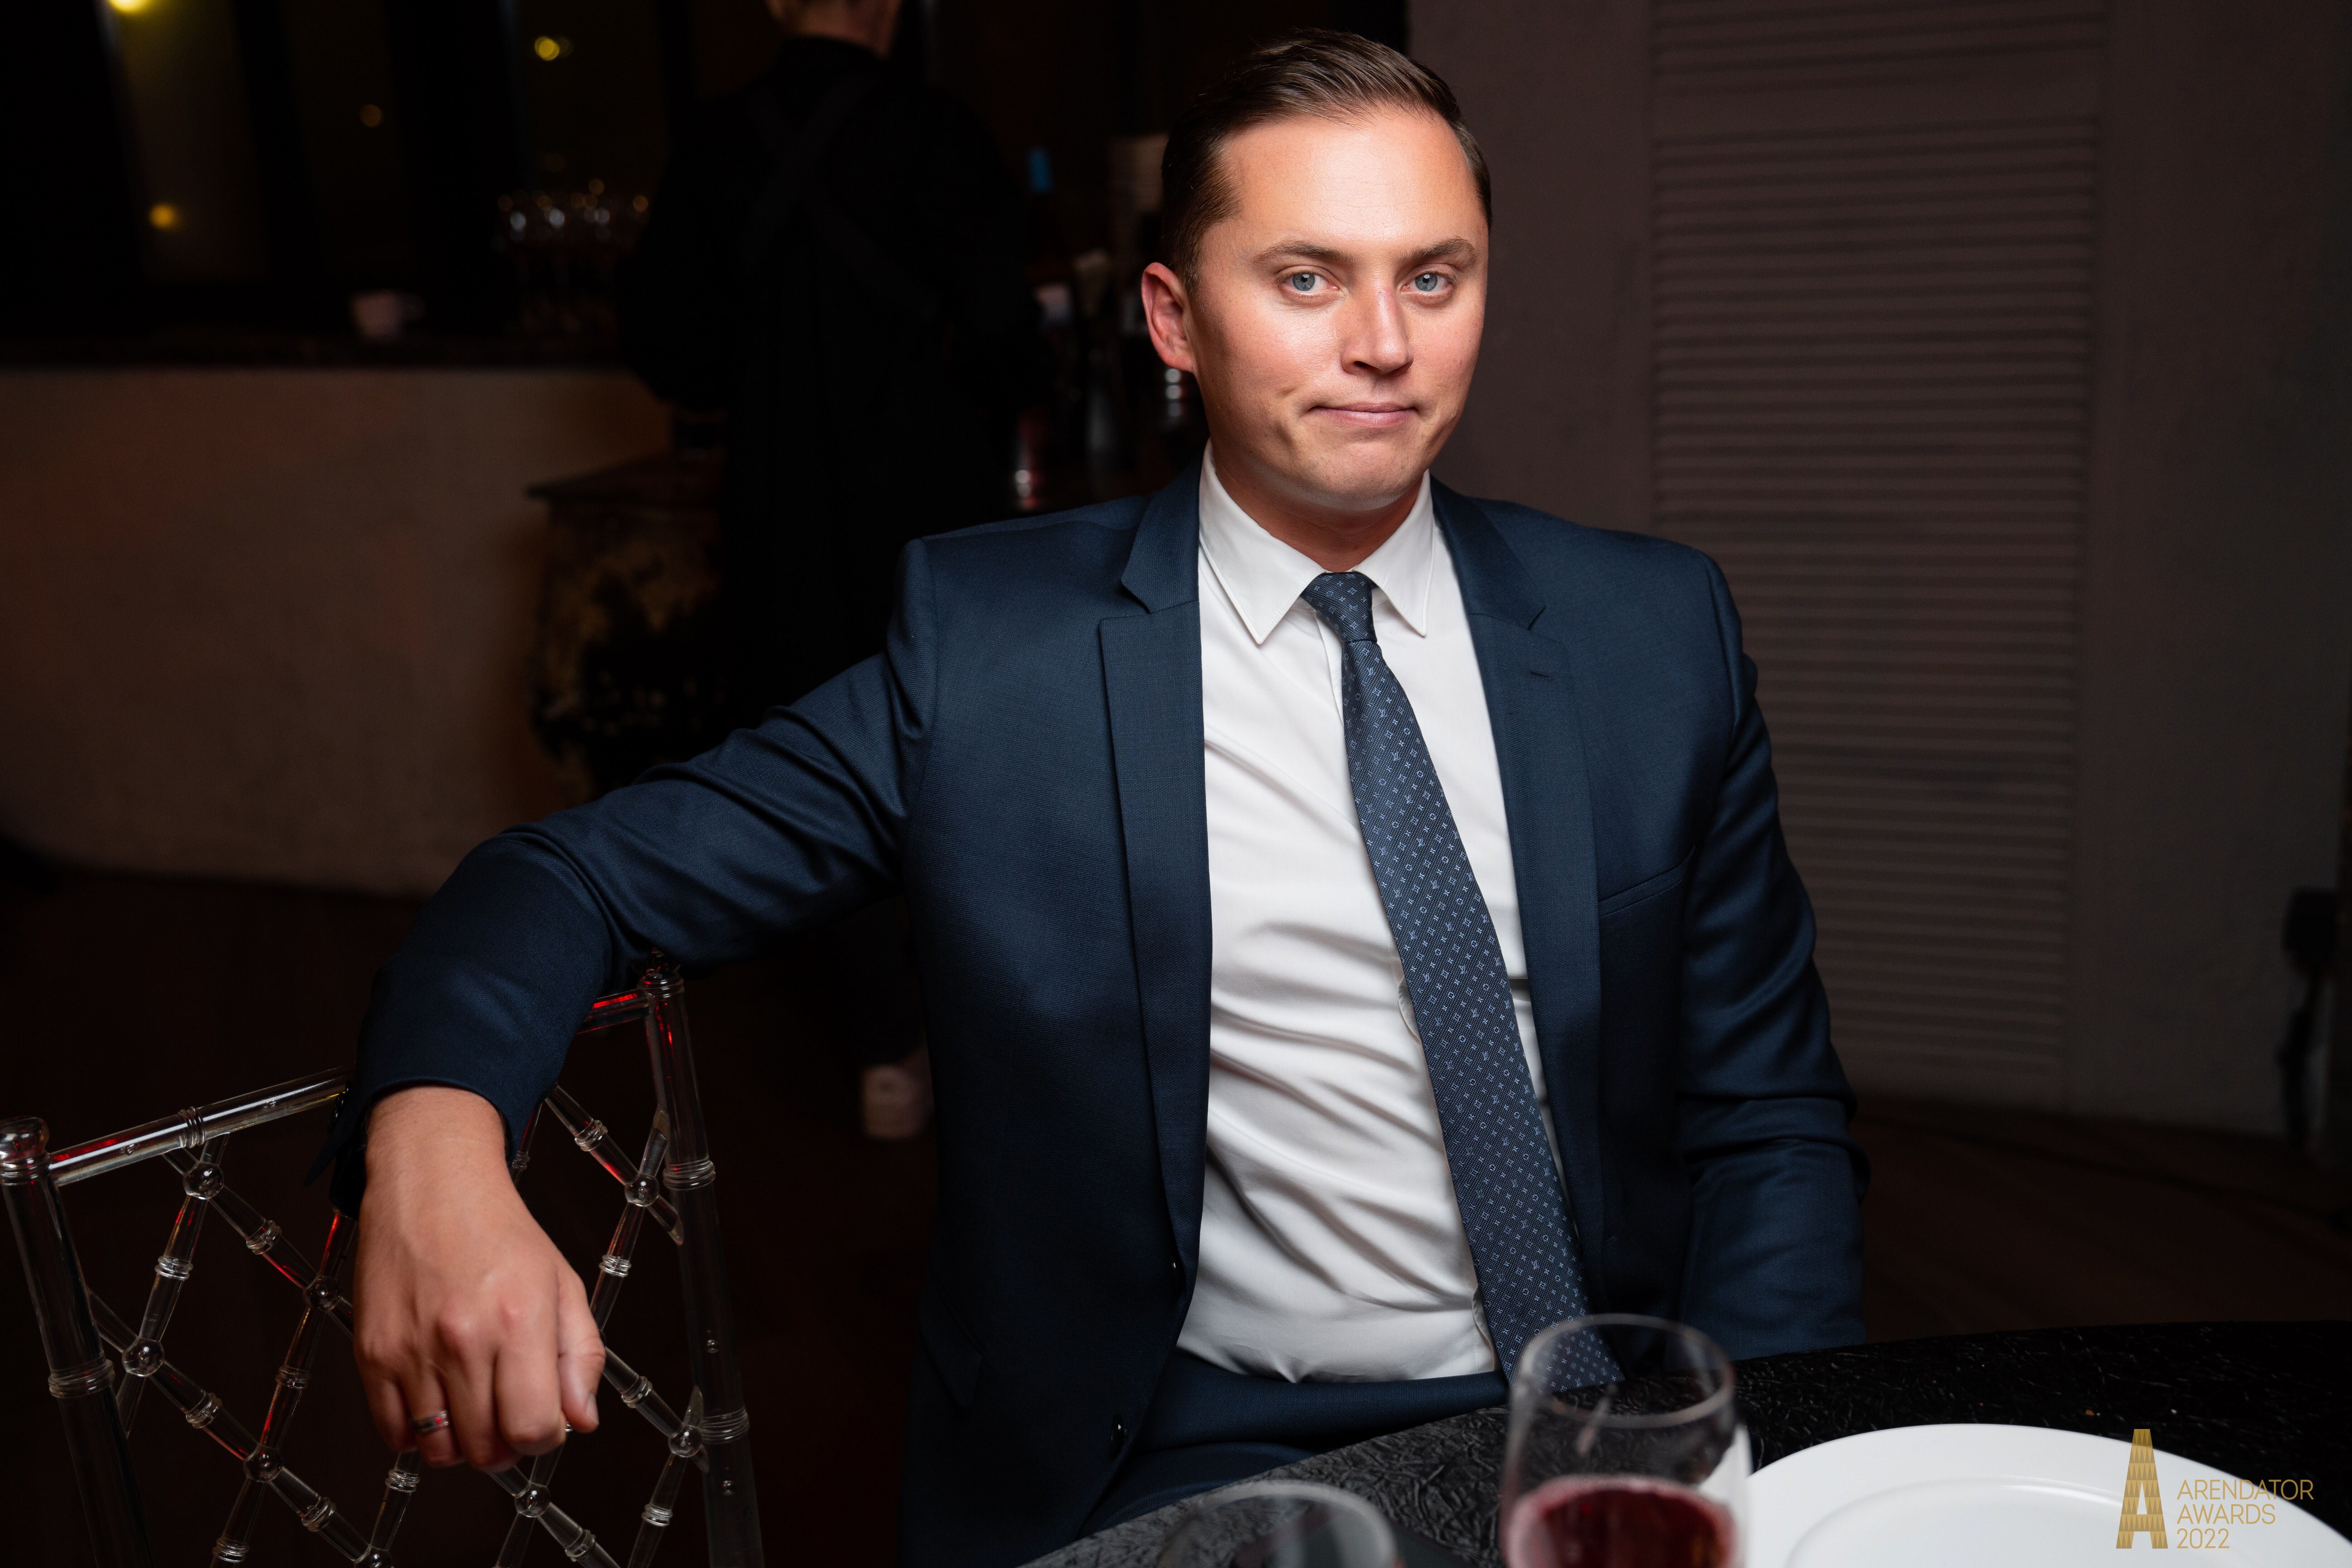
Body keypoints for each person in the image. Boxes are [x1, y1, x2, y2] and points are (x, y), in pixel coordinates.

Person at [326, 32, 1866, 1568]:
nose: (1385, 342)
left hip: (1594, 1419)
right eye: (1308, 278)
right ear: (1173, 318)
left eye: (1434, 276)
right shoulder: (994, 661)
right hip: (1187, 1446)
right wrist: (435, 1144)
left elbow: (1769, 1118)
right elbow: (572, 879)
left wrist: (1754, 1469)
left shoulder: (1649, 633)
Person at [620, 0, 1048, 1130]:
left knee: (823, 771)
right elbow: (1006, 343)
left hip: (781, 513)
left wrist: (771, 360)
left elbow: (669, 352)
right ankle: (996, 1040)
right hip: (936, 514)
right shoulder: (940, 130)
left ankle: (885, 1051)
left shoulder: (714, 141)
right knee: (967, 761)